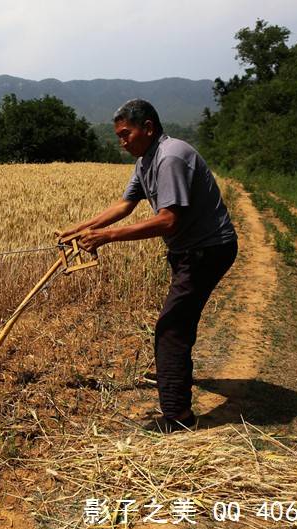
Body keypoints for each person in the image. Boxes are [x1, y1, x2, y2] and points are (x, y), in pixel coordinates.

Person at [58, 99, 238, 433]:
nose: (121, 141)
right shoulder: (146, 160)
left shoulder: (170, 157)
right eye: (118, 136)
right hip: (189, 250)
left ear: (149, 128)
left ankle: (178, 417)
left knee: (171, 328)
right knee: (179, 320)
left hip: (207, 250)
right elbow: (126, 205)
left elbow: (168, 220)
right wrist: (82, 229)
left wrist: (107, 237)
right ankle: (175, 379)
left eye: (126, 134)